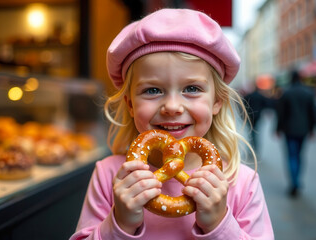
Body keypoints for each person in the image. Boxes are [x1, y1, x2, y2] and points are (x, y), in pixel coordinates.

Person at [70, 9, 274, 239]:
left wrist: (220, 225)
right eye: (153, 90)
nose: (173, 106)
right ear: (130, 104)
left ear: (217, 101)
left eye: (191, 89)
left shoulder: (241, 183)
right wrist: (119, 223)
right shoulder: (109, 176)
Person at [276, 69, 316, 197]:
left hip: (289, 130)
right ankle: (297, 181)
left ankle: (294, 183)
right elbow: (313, 113)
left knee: (291, 156)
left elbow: (281, 113)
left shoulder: (286, 93)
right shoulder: (308, 93)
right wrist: (312, 129)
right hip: (303, 130)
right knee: (299, 155)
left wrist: (278, 128)